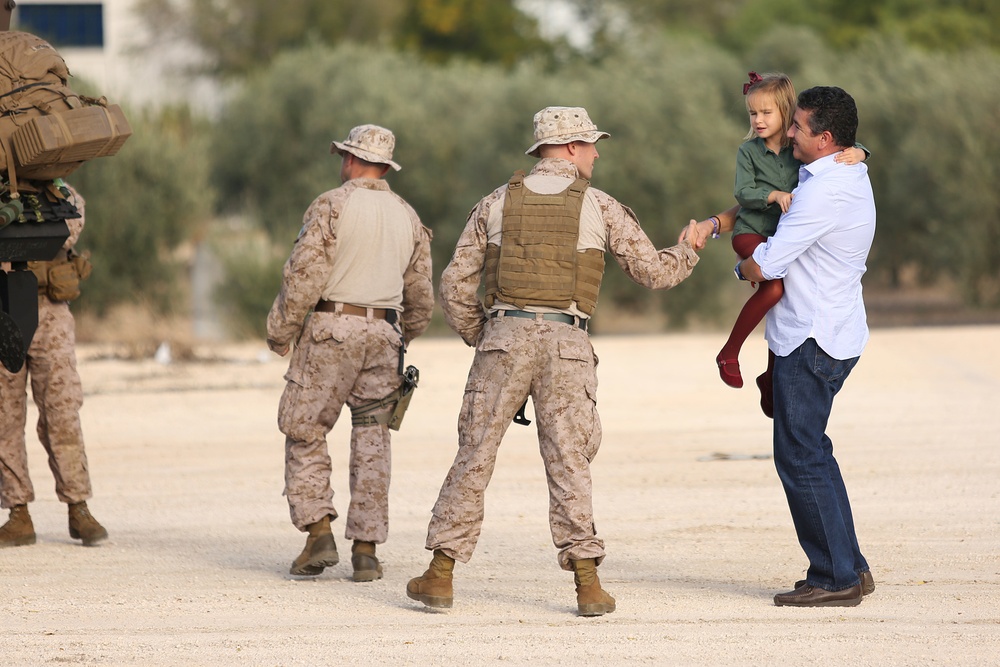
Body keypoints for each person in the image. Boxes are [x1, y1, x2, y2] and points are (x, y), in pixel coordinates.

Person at [406, 106, 703, 616]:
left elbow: (454, 285)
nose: (596, 152)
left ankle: (440, 576)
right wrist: (689, 248)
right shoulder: (601, 206)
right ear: (568, 148)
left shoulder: (494, 203)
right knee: (569, 461)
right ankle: (588, 585)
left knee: (475, 454)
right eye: (590, 144)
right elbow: (652, 274)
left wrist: (487, 335)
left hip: (504, 337)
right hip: (568, 345)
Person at [685, 86, 876, 607]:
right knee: (814, 450)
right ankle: (850, 566)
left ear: (827, 139)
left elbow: (768, 263)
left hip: (810, 338)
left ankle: (835, 578)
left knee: (799, 456)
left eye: (799, 127)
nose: (788, 130)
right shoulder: (847, 171)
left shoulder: (822, 192)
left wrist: (741, 266)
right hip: (834, 331)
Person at [266, 124, 434, 581]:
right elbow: (420, 295)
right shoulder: (408, 215)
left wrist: (280, 331)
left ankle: (318, 532)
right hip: (385, 334)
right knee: (373, 440)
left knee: (304, 428)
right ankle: (366, 550)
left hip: (329, 331)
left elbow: (304, 276)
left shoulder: (332, 205)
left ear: (352, 160)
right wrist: (403, 335)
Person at [715, 72, 867, 394]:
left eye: (766, 112)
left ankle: (770, 377)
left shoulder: (797, 150)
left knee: (784, 296)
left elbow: (841, 141)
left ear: (786, 114)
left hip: (775, 237)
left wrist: (862, 152)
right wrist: (772, 196)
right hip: (752, 232)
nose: (757, 120)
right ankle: (730, 353)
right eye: (753, 113)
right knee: (774, 291)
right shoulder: (750, 153)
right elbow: (743, 194)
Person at [0, 181, 108, 548]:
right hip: (3, 311)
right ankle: (18, 513)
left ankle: (78, 507)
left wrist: (29, 193)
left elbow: (69, 226)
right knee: (4, 416)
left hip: (50, 311)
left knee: (62, 412)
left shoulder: (56, 189)